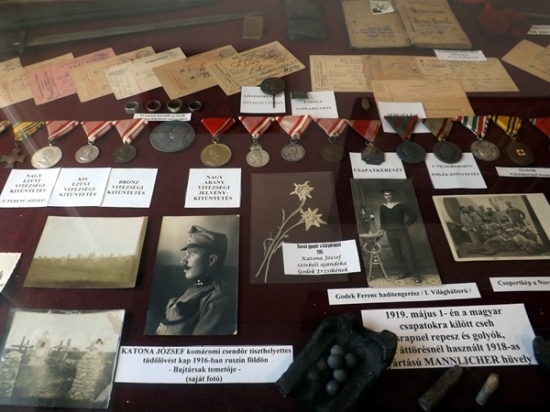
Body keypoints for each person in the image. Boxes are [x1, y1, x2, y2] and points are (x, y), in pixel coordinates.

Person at [155, 225, 237, 336]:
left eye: (191, 254)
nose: (183, 261)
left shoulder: (218, 297)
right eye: (186, 254)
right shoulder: (194, 290)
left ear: (211, 260)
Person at [379, 189, 421, 283]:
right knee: (397, 254)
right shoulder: (382, 207)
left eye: (390, 194)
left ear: (392, 195)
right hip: (390, 233)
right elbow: (382, 220)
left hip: (402, 232)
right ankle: (404, 272)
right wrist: (382, 230)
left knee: (409, 253)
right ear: (383, 196)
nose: (388, 196)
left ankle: (416, 275)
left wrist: (406, 225)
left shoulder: (400, 205)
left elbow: (413, 215)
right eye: (386, 195)